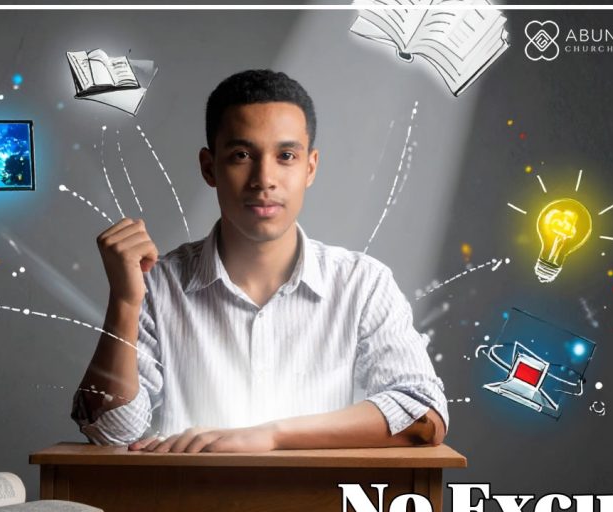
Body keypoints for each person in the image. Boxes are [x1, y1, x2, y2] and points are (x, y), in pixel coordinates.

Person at [72, 69, 447, 453]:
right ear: (209, 167)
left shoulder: (363, 284)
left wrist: (272, 435)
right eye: (241, 155)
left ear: (310, 168)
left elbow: (424, 415)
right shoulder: (158, 284)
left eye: (286, 156)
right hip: (187, 508)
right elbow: (111, 433)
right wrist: (124, 300)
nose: (264, 179)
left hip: (323, 509)